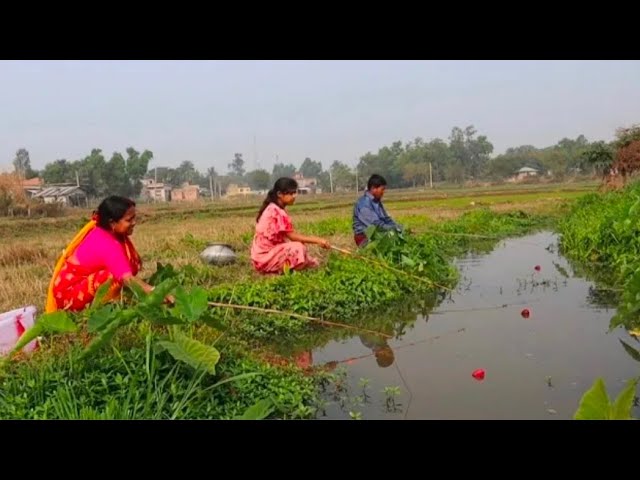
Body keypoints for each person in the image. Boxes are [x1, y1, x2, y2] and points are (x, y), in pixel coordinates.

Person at [45, 195, 170, 313]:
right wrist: (157, 293)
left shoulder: (112, 234)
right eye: (129, 220)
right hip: (68, 295)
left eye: (134, 217)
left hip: (79, 286)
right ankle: (108, 311)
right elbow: (128, 279)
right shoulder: (106, 243)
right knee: (113, 276)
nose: (134, 222)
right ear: (112, 223)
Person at [251, 177, 331, 274]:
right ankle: (284, 272)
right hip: (264, 258)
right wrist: (318, 240)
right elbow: (293, 237)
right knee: (298, 248)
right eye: (291, 193)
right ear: (279, 194)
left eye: (295, 192)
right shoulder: (276, 211)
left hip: (261, 258)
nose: (294, 196)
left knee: (303, 252)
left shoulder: (272, 208)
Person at [352, 174, 403, 247]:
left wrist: (398, 227)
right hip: (365, 237)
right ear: (373, 188)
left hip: (377, 234)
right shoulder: (363, 204)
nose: (383, 192)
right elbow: (376, 225)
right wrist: (394, 228)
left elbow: (386, 219)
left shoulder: (377, 202)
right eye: (382, 189)